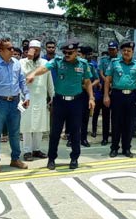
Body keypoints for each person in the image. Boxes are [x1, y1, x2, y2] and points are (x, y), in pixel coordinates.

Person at [27, 40, 94, 170]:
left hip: (76, 102)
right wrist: (33, 73)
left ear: (76, 52)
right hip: (59, 102)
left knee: (75, 131)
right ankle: (51, 159)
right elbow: (45, 68)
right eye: (65, 52)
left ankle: (74, 158)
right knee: (55, 132)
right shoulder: (58, 61)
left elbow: (87, 81)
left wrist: (91, 98)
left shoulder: (83, 64)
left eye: (70, 52)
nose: (67, 55)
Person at [0, 38, 30, 173]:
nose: (13, 51)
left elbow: (22, 81)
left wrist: (26, 96)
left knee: (15, 133)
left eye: (13, 48)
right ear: (0, 50)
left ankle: (15, 159)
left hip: (15, 102)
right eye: (9, 49)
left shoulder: (16, 63)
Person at [104, 41, 136, 158]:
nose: (126, 52)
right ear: (121, 51)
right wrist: (106, 96)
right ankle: (114, 148)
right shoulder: (114, 62)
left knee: (129, 124)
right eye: (124, 50)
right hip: (117, 96)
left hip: (132, 97)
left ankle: (127, 148)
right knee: (116, 123)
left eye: (129, 51)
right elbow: (107, 80)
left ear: (133, 52)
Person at [19, 40, 53, 160]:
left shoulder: (45, 63)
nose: (34, 52)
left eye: (36, 50)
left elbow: (50, 81)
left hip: (40, 98)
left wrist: (52, 96)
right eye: (32, 49)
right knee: (27, 126)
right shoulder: (22, 62)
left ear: (40, 51)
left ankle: (36, 149)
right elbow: (24, 76)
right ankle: (27, 151)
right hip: (26, 98)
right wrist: (29, 59)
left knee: (40, 125)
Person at [98, 41, 119, 146]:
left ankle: (115, 137)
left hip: (115, 89)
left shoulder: (119, 61)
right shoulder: (103, 60)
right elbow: (101, 72)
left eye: (113, 49)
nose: (111, 51)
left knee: (115, 115)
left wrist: (112, 84)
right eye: (110, 49)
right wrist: (107, 81)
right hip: (105, 89)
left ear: (117, 50)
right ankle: (105, 138)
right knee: (105, 115)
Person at [77, 46, 99, 147]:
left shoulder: (90, 66)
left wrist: (89, 86)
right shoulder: (72, 64)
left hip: (86, 94)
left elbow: (97, 79)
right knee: (74, 118)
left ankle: (83, 139)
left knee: (85, 118)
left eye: (79, 54)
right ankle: (72, 139)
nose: (77, 56)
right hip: (75, 93)